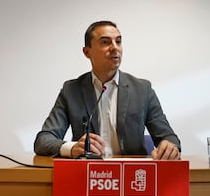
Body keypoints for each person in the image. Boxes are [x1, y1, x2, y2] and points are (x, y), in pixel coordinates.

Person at [34, 21, 181, 160]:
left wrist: (169, 146)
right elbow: (43, 140)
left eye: (118, 41)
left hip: (131, 176)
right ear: (87, 52)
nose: (114, 47)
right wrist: (72, 148)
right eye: (105, 42)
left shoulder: (142, 90)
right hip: (88, 176)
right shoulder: (71, 90)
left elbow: (169, 137)